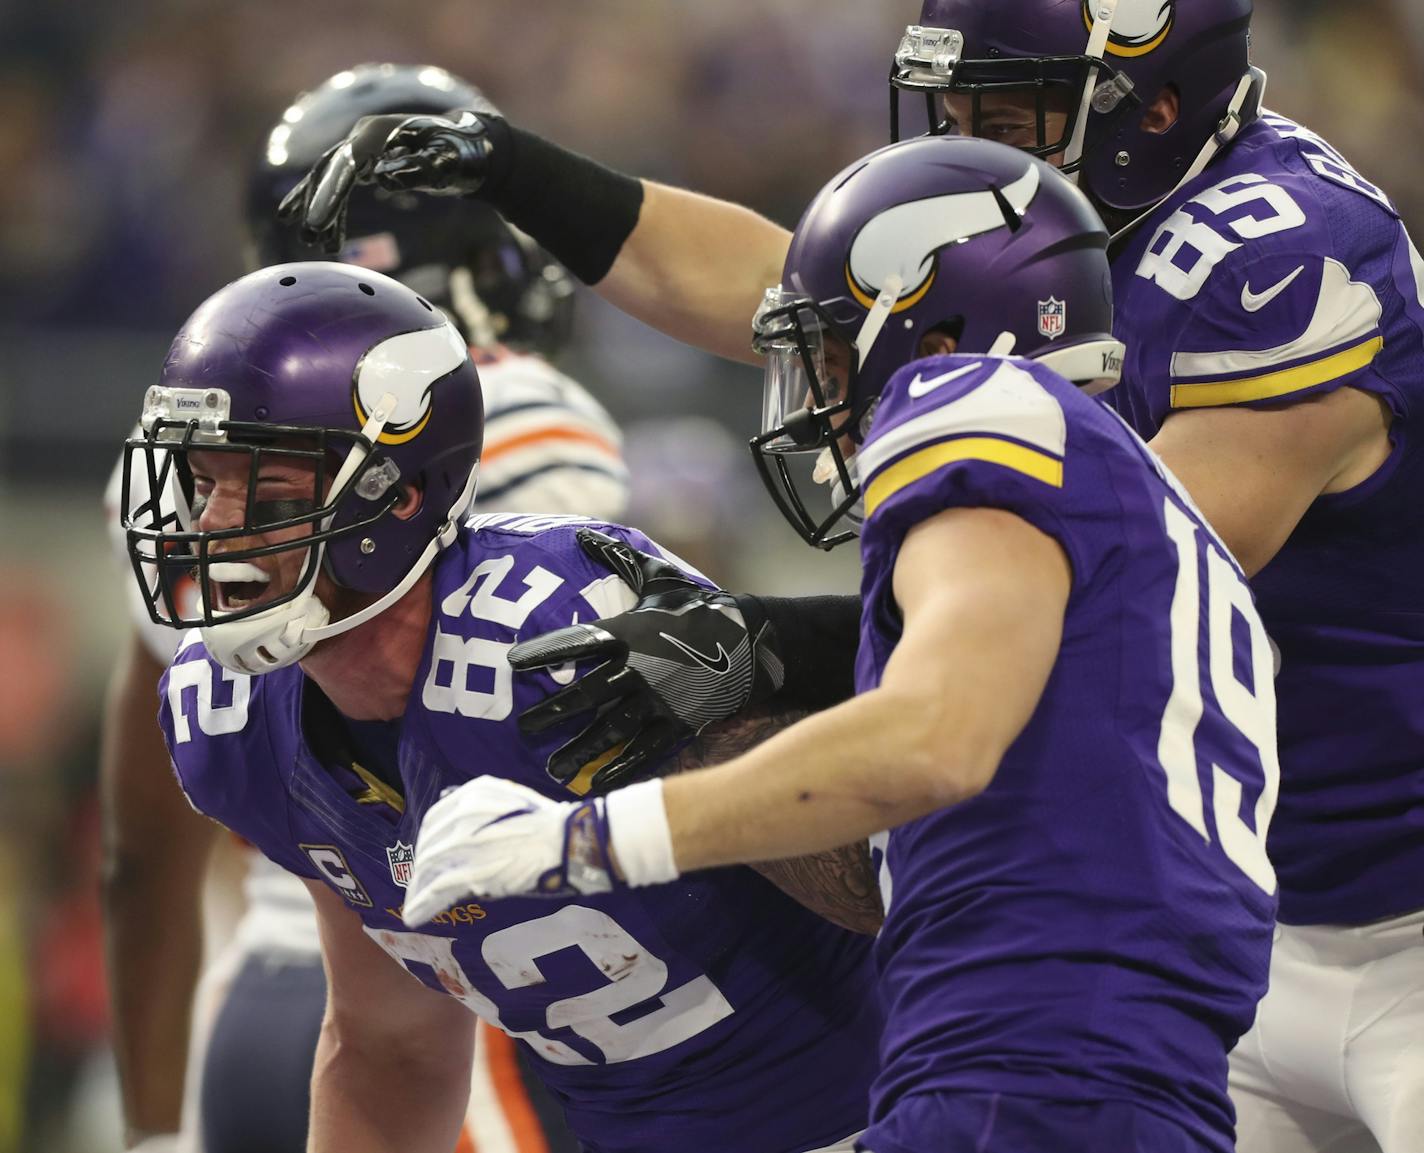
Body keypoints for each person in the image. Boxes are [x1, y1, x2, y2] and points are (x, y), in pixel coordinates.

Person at [284, 5, 1424, 1147]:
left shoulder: (1279, 258)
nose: (972, 138)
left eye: (1009, 107)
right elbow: (797, 297)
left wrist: (754, 652)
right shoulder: (1025, 258)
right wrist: (518, 169)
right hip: (1220, 937)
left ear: (1155, 107)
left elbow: (1094, 600)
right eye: (955, 102)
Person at [395, 134, 1279, 1153]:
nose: (817, 403)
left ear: (940, 343)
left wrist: (584, 839)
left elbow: (931, 740)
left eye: (825, 355)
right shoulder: (1131, 512)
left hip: (1023, 1083)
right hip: (1116, 1086)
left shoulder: (970, 402)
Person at [119, 260, 881, 1153]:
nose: (213, 527)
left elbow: (883, 887)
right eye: (202, 484)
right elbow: (388, 1046)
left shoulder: (549, 630)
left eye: (267, 491)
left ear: (397, 498)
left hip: (889, 1111)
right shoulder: (238, 719)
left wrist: (675, 783)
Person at [101, 61, 628, 1153]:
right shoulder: (515, 414)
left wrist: (154, 1120)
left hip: (253, 1001)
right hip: (463, 994)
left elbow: (138, 850)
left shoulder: (191, 465)